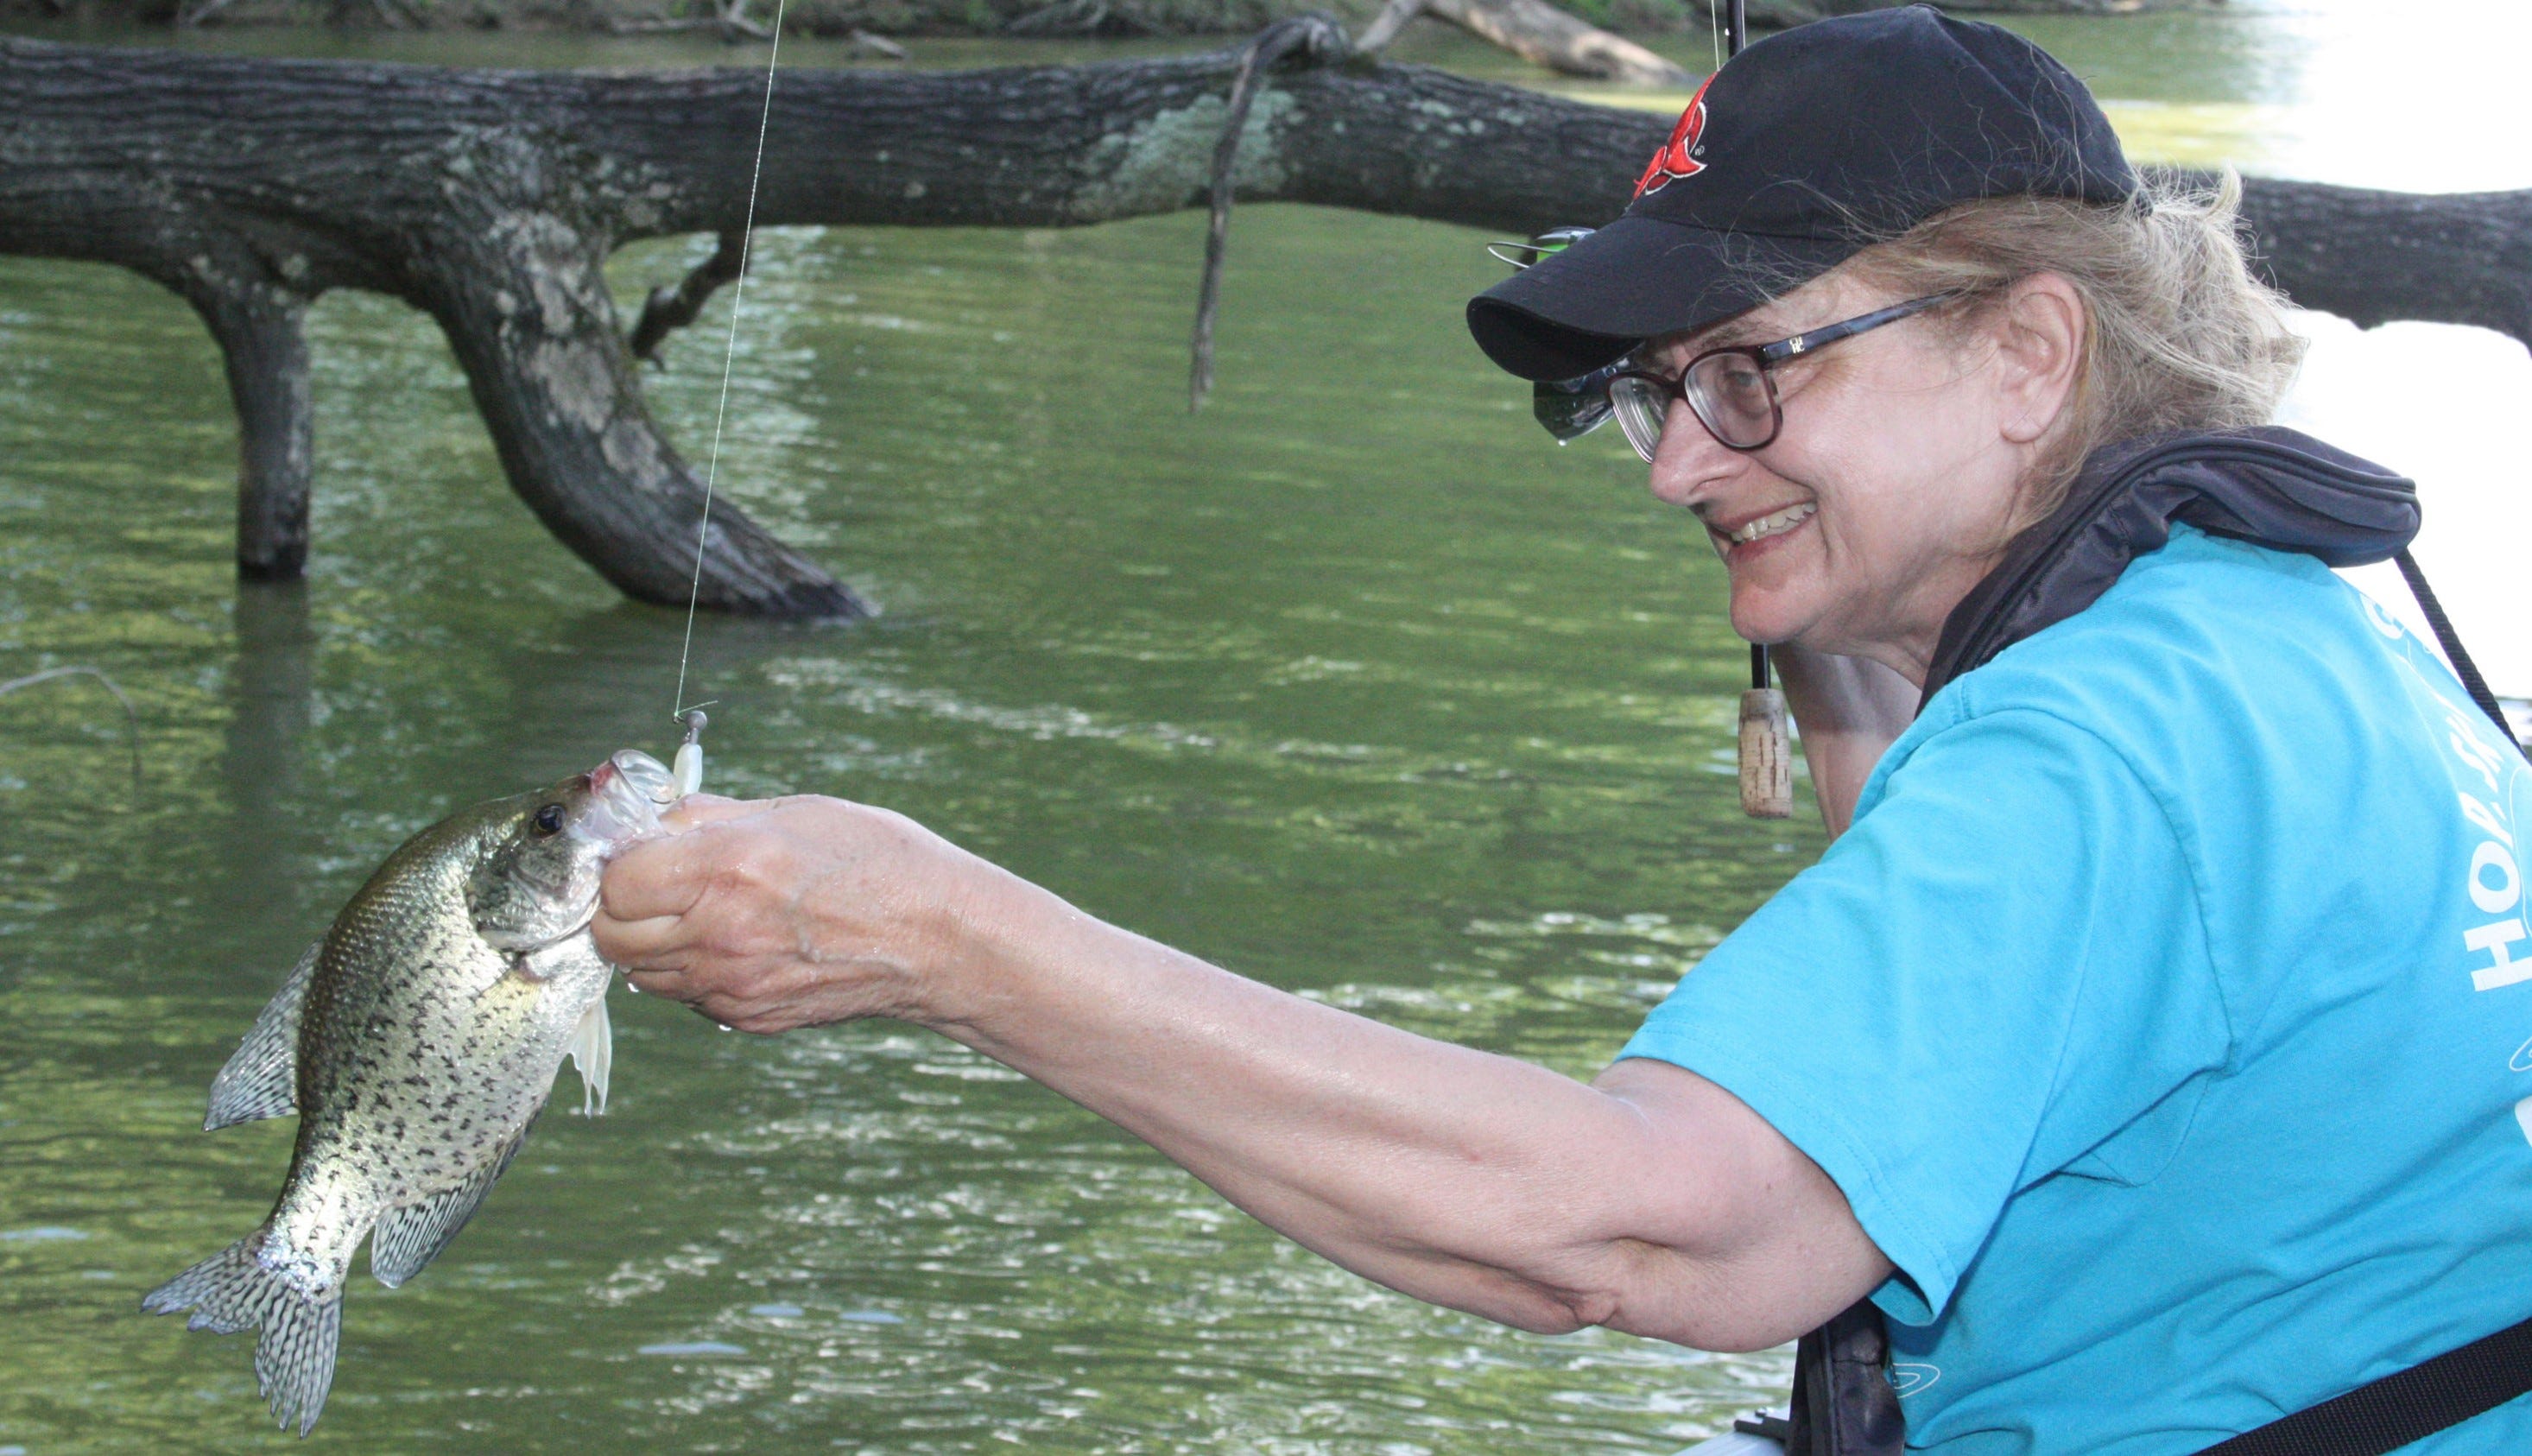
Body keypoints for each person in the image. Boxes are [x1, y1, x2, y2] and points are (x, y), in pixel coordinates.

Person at [592, 9, 2532, 1452]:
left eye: (1747, 377)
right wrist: (1835, 598)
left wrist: (947, 944)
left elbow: (1649, 1239)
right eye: (1657, 392)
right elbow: (2007, 1006)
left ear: (2027, 353)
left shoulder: (2097, 742)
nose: (1678, 463)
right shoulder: (2268, 628)